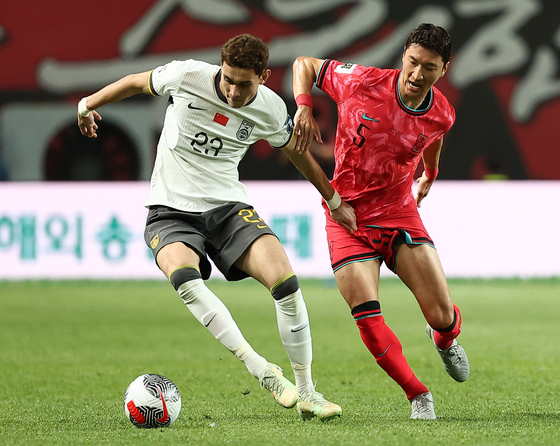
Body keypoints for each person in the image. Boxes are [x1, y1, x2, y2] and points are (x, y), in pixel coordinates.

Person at [76, 34, 342, 421]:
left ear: (264, 77)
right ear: (220, 67)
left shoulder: (270, 109)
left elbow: (297, 154)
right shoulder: (186, 76)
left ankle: (307, 392)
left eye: (244, 84)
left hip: (228, 208)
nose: (233, 91)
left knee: (285, 283)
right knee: (184, 277)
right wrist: (86, 105)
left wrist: (333, 200)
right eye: (228, 80)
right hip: (169, 210)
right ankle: (260, 369)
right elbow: (135, 81)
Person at [290, 23, 470, 419]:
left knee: (442, 316)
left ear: (444, 69)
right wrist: (304, 105)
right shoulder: (361, 81)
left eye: (429, 67)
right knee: (366, 312)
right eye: (412, 62)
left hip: (397, 212)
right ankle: (418, 395)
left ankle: (444, 339)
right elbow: (304, 63)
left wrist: (430, 173)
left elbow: (434, 135)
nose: (417, 74)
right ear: (403, 55)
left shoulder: (442, 111)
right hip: (346, 214)